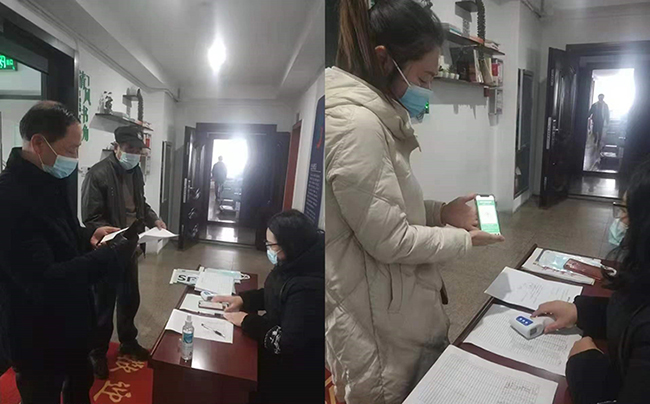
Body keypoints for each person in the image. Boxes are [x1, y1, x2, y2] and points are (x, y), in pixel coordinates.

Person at [325, 1, 504, 403]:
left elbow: (385, 207)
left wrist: (442, 212)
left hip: (392, 307)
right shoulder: (357, 127)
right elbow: (391, 239)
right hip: (377, 333)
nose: (429, 91)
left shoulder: (375, 120)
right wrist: (464, 239)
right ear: (384, 60)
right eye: (424, 77)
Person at [0, 101, 138, 404]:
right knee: (43, 394)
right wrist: (109, 256)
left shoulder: (50, 178)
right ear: (39, 143)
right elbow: (44, 279)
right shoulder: (9, 198)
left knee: (79, 385)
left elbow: (62, 232)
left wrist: (89, 235)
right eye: (71, 149)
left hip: (71, 322)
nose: (75, 158)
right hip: (35, 334)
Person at [532, 160, 650, 404]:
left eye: (628, 213)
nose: (621, 222)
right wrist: (579, 311)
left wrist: (585, 365)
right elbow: (630, 307)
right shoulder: (642, 271)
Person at [213, 209, 324, 404]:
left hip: (291, 377)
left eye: (272, 245)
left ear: (290, 244)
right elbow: (276, 293)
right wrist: (243, 300)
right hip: (275, 353)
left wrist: (247, 320)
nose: (269, 250)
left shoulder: (310, 287)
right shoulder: (293, 260)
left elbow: (287, 343)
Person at [81, 126, 166, 379]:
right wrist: (112, 235)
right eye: (130, 149)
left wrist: (154, 219)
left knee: (130, 299)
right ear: (116, 147)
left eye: (138, 150)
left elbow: (141, 204)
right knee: (104, 304)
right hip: (108, 252)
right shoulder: (98, 174)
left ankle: (128, 342)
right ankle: (97, 352)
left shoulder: (135, 171)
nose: (134, 154)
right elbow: (91, 217)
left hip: (130, 247)